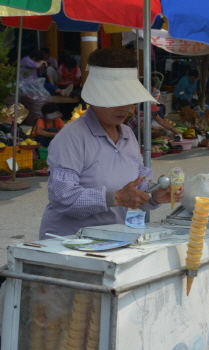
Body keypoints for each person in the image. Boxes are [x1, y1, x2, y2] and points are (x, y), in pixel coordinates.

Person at [38, 48, 184, 239]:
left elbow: (136, 192)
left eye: (129, 99)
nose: (125, 107)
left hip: (112, 241)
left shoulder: (127, 134)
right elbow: (62, 199)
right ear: (95, 99)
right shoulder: (71, 138)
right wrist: (115, 197)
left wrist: (156, 196)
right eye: (115, 99)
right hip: (68, 244)